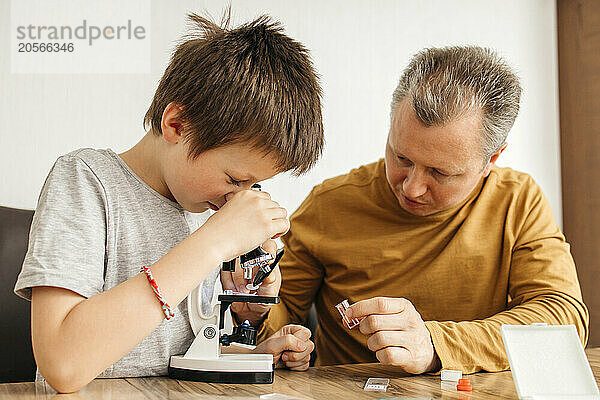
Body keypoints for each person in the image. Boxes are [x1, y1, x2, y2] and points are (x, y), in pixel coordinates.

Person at [14, 12, 323, 393]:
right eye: (234, 179)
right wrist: (214, 243)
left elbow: (173, 362)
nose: (239, 197)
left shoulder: (200, 208)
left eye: (254, 184)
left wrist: (248, 331)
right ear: (176, 124)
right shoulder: (86, 180)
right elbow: (62, 363)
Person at [239, 46, 589, 374]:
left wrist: (435, 344)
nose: (411, 187)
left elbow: (564, 322)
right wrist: (257, 316)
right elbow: (281, 312)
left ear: (490, 160)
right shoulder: (330, 204)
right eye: (401, 157)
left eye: (440, 172)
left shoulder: (517, 200)